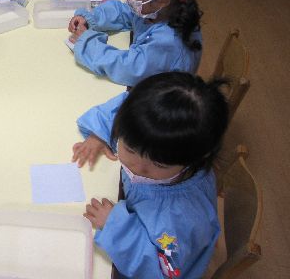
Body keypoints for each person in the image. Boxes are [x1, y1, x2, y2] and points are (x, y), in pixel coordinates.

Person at [74, 72, 228, 278]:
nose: (137, 166)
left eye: (158, 164)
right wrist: (99, 135)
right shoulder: (143, 124)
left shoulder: (182, 220)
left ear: (195, 158)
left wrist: (116, 227)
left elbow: (165, 271)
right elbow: (120, 109)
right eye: (129, 148)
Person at [68, 0, 204, 87]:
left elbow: (128, 68)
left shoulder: (168, 43)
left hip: (160, 96)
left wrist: (88, 44)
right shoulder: (158, 10)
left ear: (161, 1)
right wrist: (91, 19)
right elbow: (125, 11)